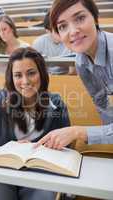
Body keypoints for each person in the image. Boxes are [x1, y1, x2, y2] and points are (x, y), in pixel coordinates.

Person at [0, 47, 70, 200]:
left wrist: (42, 148)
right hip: (2, 172)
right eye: (18, 75)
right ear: (11, 78)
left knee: (44, 195)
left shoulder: (56, 103)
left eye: (31, 73)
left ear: (41, 73)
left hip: (40, 176)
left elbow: (67, 146)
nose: (25, 81)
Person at [35, 0, 113, 149]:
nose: (73, 31)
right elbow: (101, 103)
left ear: (95, 18)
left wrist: (78, 132)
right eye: (63, 26)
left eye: (80, 18)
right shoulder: (81, 61)